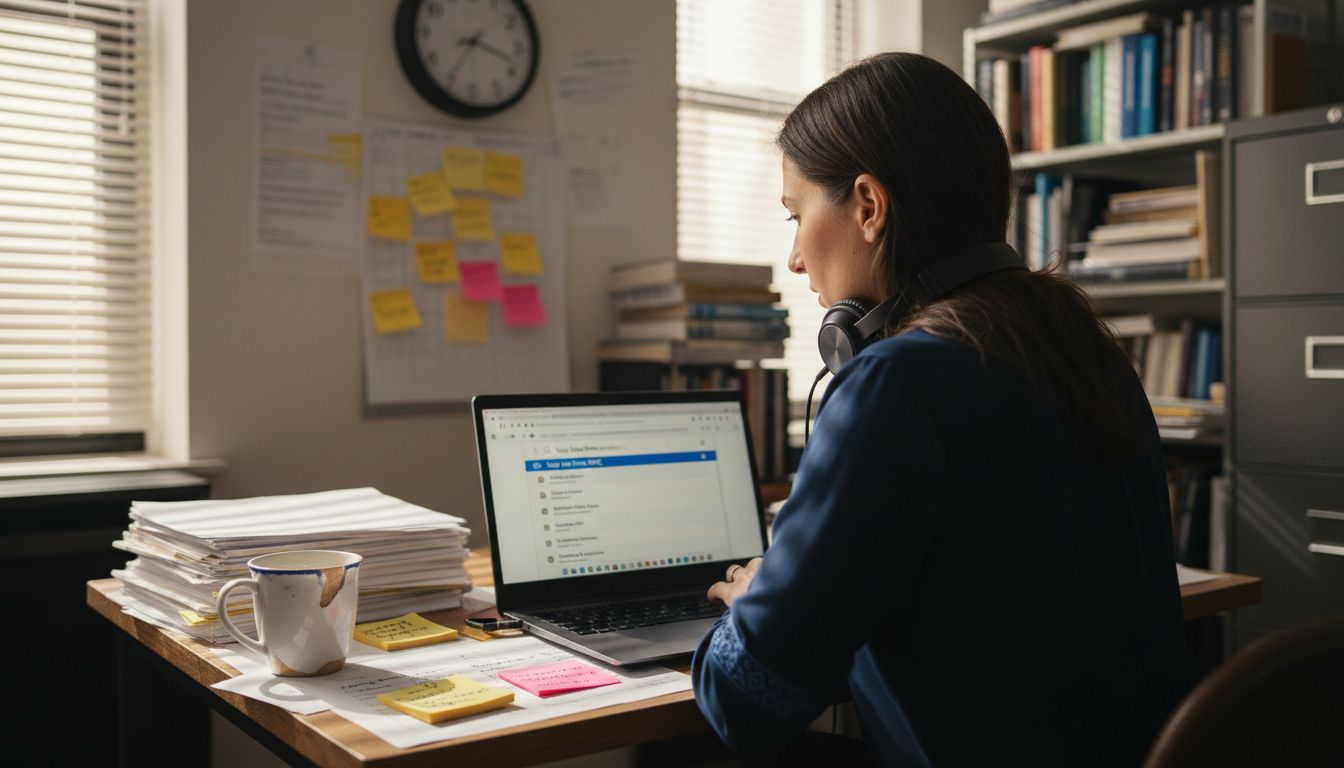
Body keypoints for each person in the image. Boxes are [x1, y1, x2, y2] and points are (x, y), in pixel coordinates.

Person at [691, 52, 1187, 766]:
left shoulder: (896, 384)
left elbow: (746, 700)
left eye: (797, 215)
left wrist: (755, 601)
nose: (796, 258)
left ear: (868, 204)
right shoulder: (1084, 350)